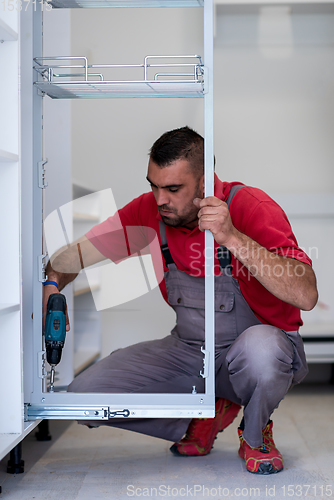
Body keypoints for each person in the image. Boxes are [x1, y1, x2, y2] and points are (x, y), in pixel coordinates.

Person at [43, 126, 318, 475]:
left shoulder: (251, 206)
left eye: (173, 189)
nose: (160, 199)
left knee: (264, 352)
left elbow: (306, 294)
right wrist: (52, 284)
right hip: (190, 350)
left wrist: (231, 236)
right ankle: (200, 419)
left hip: (254, 351)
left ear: (204, 184)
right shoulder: (151, 212)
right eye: (153, 185)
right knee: (85, 396)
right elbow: (74, 257)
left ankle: (255, 434)